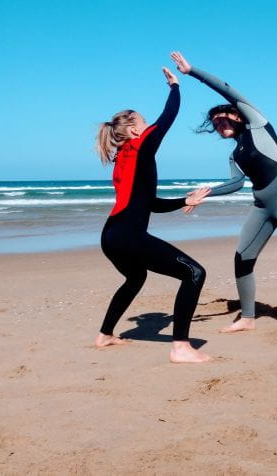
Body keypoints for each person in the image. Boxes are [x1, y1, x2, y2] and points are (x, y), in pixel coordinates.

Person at [171, 51, 277, 339]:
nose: (218, 122)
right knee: (243, 257)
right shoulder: (235, 155)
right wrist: (206, 192)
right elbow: (236, 184)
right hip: (262, 204)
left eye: (223, 117)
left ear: (238, 115)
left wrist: (192, 72)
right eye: (214, 122)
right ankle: (248, 318)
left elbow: (226, 89)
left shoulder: (258, 124)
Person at [94, 67, 213, 363]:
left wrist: (185, 199)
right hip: (127, 235)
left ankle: (105, 335)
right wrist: (175, 87)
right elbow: (167, 120)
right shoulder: (138, 148)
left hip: (111, 235)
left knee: (135, 278)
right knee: (194, 273)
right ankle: (181, 348)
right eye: (144, 124)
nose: (149, 128)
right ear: (135, 130)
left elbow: (148, 204)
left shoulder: (124, 160)